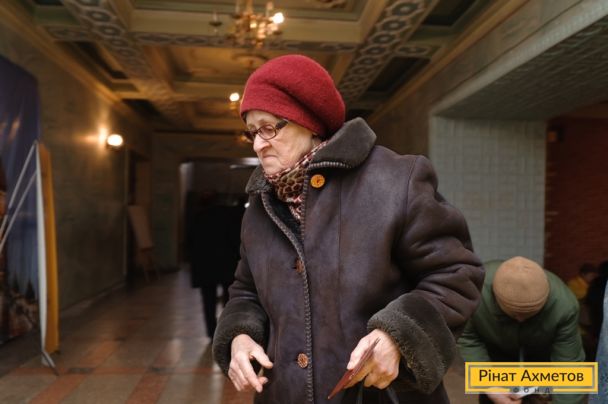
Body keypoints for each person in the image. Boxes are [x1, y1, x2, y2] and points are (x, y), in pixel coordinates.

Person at [212, 54, 484, 404]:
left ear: (308, 122)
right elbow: (246, 290)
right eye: (252, 131)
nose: (257, 144)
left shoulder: (396, 180)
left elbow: (456, 274)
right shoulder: (261, 203)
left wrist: (398, 336)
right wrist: (240, 335)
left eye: (268, 128)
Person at [458, 257, 585, 404]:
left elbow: (569, 365)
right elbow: (468, 338)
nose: (520, 320)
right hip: (495, 354)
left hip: (540, 355)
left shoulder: (565, 306)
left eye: (529, 314)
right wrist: (488, 385)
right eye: (514, 314)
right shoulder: (473, 293)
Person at [188, 192, 242, 339]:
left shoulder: (198, 217)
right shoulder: (229, 215)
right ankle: (227, 329)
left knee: (208, 300)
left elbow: (190, 241)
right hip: (226, 263)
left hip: (204, 264)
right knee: (229, 298)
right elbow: (235, 240)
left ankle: (211, 332)